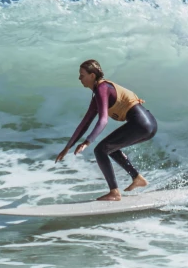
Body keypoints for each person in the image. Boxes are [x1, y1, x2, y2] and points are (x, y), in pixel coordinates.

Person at [55, 60, 158, 201]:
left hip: (141, 123)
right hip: (149, 124)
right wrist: (67, 147)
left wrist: (87, 142)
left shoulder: (102, 89)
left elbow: (103, 120)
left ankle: (114, 192)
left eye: (82, 75)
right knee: (111, 147)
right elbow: (85, 123)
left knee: (100, 150)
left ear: (92, 76)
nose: (79, 78)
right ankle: (137, 178)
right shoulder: (98, 94)